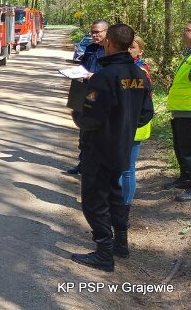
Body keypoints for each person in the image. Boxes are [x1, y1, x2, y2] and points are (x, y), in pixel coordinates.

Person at [70, 23, 153, 272]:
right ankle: (121, 244)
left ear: (109, 43)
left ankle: (104, 254)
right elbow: (146, 113)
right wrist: (124, 125)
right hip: (122, 145)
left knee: (94, 200)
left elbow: (91, 118)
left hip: (98, 147)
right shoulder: (139, 75)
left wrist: (77, 113)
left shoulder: (104, 77)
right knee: (115, 195)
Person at [67, 19, 109, 175]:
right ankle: (82, 163)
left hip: (100, 95)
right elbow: (83, 66)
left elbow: (111, 75)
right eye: (92, 32)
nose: (94, 35)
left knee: (97, 132)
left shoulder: (111, 51)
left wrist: (95, 76)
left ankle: (96, 166)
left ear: (106, 32)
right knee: (83, 130)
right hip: (85, 92)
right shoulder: (90, 48)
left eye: (97, 32)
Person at [119, 36, 152, 206]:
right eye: (126, 47)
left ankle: (125, 205)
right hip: (122, 125)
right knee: (118, 166)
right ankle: (116, 202)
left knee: (128, 168)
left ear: (140, 51)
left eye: (133, 47)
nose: (129, 50)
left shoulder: (141, 71)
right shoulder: (124, 68)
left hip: (136, 126)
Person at [166, 21, 191, 202]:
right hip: (180, 110)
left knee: (189, 150)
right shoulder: (188, 54)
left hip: (189, 111)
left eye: (187, 30)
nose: (184, 33)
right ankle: (185, 178)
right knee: (181, 148)